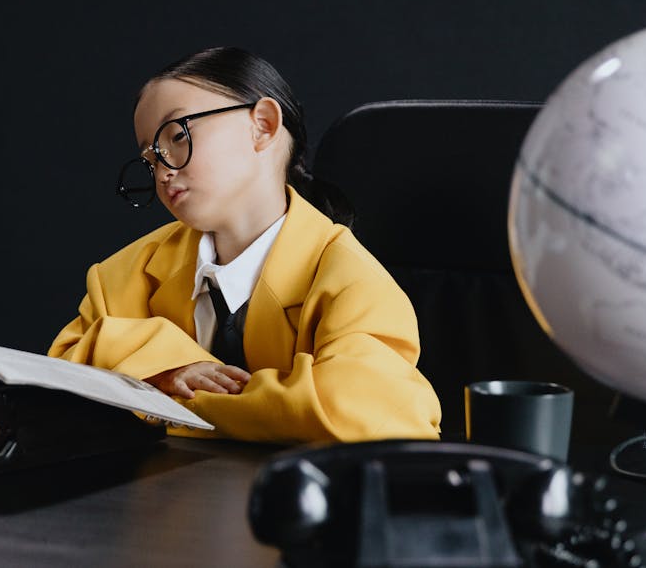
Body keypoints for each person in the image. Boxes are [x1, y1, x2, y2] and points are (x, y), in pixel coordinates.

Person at [48, 47, 441, 443]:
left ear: (263, 126)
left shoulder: (352, 280)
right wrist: (166, 368)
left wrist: (165, 400)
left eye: (178, 136)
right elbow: (59, 375)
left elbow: (364, 411)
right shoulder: (125, 272)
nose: (163, 172)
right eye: (151, 158)